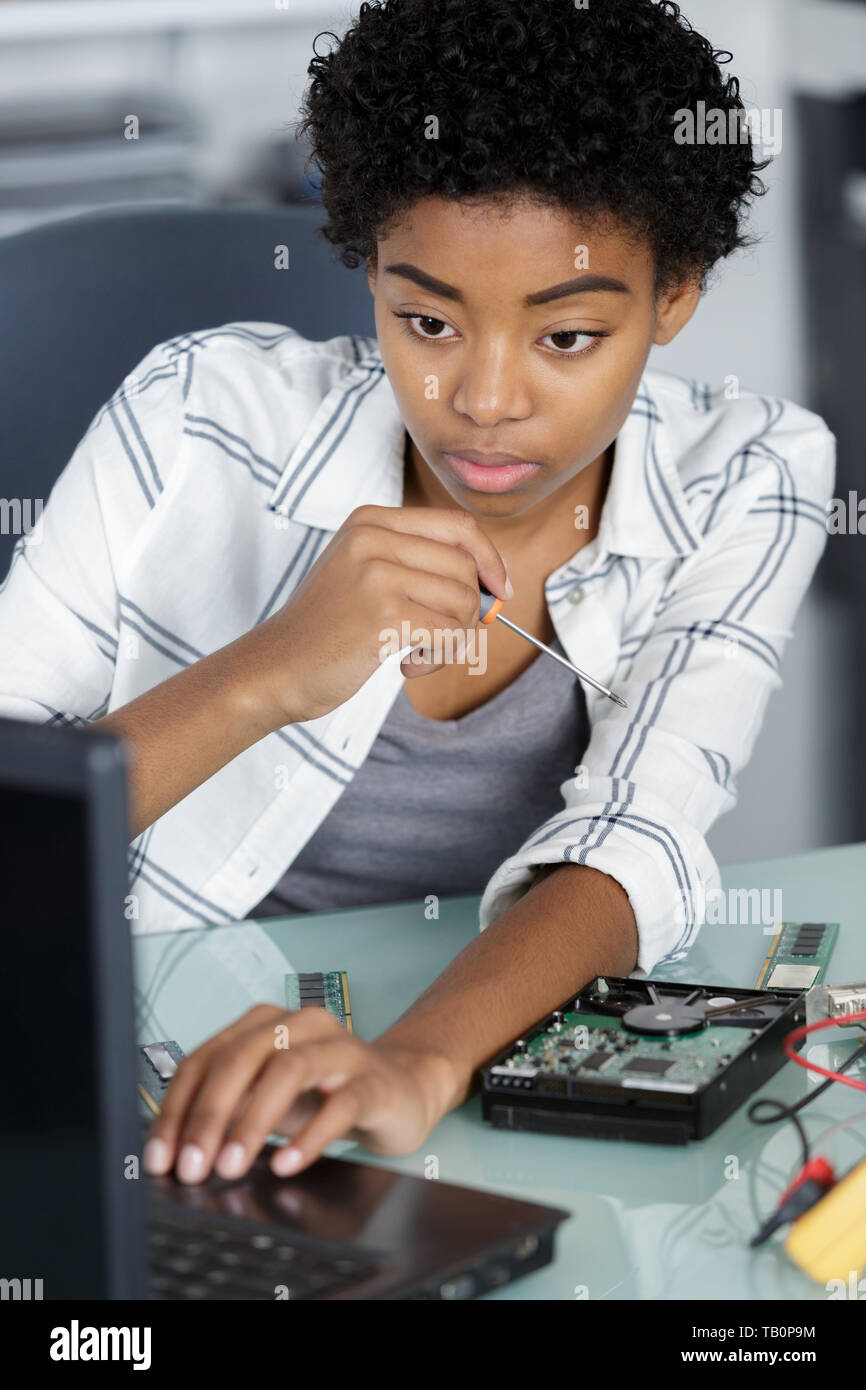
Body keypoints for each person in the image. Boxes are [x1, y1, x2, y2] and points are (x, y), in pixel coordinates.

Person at [0, 0, 834, 1185]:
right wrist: (271, 672)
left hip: (474, 1043)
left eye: (565, 337)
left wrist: (413, 1066)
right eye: (427, 319)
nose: (484, 399)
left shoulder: (748, 473)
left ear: (673, 298)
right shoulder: (193, 417)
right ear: (368, 271)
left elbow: (638, 829)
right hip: (156, 1033)